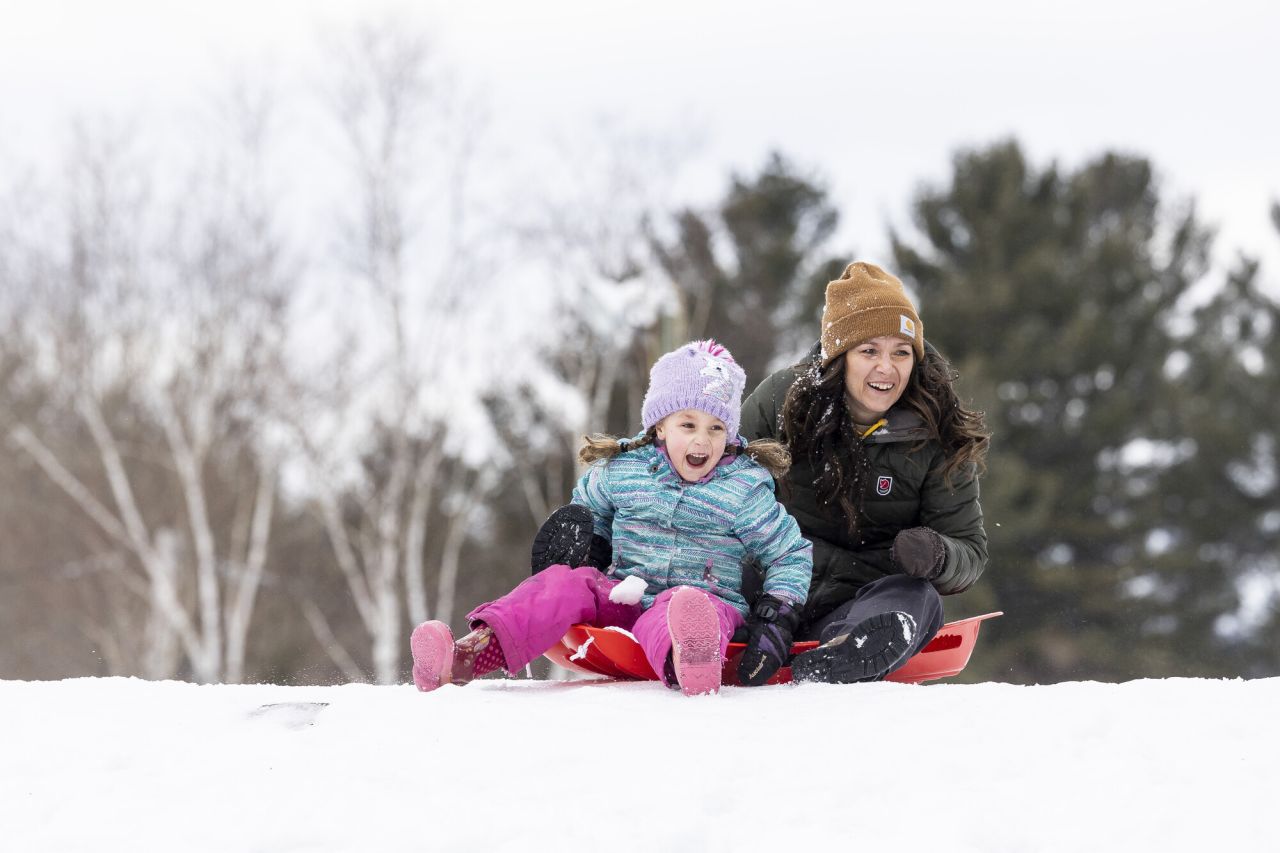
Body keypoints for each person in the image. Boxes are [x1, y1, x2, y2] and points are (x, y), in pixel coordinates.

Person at [409, 339, 813, 696]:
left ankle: (692, 659)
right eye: (687, 424)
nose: (702, 440)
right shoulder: (624, 471)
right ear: (659, 426)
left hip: (707, 601)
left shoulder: (742, 488)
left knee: (684, 606)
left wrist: (777, 613)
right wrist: (587, 542)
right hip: (626, 592)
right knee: (566, 584)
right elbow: (590, 509)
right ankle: (467, 655)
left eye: (716, 428)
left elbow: (787, 554)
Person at [738, 261, 990, 684]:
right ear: (840, 356)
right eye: (869, 351)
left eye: (901, 352)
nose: (886, 369)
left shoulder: (937, 430)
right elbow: (714, 475)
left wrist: (938, 554)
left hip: (860, 600)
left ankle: (847, 653)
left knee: (919, 598)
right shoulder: (783, 401)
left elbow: (971, 550)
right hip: (772, 585)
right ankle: (705, 629)